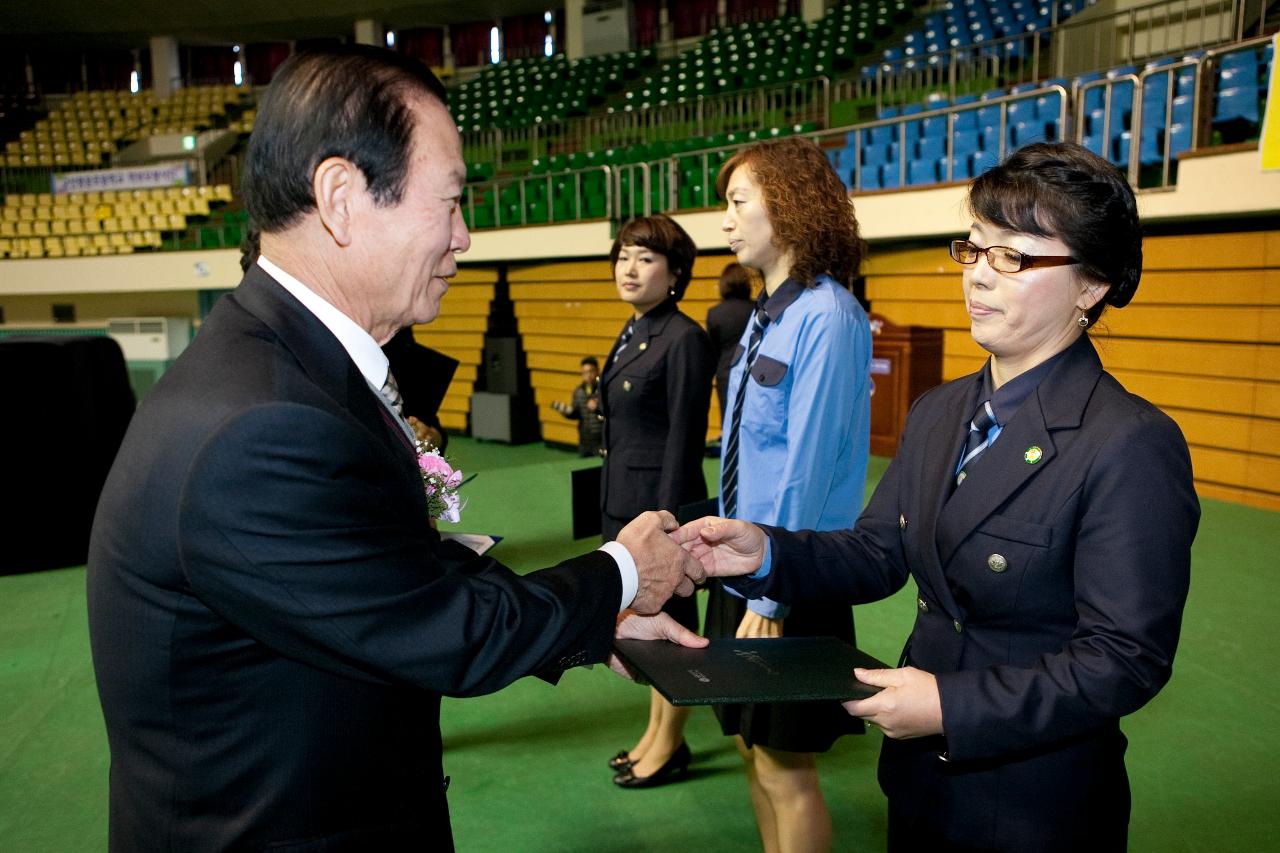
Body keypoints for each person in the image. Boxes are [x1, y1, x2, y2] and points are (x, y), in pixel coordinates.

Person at [85, 45, 708, 852]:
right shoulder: (263, 422)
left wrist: (598, 621)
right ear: (341, 198)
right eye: (449, 203)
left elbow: (378, 569)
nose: (466, 238)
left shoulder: (282, 364)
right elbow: (440, 625)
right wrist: (625, 571)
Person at [676, 142, 1199, 852]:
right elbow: (877, 551)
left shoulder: (1129, 441)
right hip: (922, 781)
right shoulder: (939, 410)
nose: (979, 276)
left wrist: (951, 704)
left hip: (1033, 804)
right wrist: (766, 550)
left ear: (1091, 285)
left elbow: (1123, 657)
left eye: (1013, 256)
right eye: (974, 249)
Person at [711, 136, 873, 853]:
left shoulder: (829, 316)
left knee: (786, 764)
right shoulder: (765, 313)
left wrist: (771, 593)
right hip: (744, 563)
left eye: (738, 202)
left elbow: (806, 467)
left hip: (790, 573)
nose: (726, 221)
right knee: (752, 748)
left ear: (791, 206)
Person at [600, 214, 715, 788]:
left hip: (658, 510)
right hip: (625, 503)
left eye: (645, 258)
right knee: (644, 624)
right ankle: (654, 735)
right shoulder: (636, 328)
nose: (629, 267)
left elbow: (683, 439)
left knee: (669, 631)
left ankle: (669, 747)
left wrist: (669, 528)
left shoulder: (684, 337)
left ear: (674, 274)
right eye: (624, 255)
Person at [705, 261, 754, 418]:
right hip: (754, 370)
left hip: (726, 372)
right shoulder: (758, 308)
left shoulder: (715, 313)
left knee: (728, 419)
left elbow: (712, 351)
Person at [552, 355, 604, 456]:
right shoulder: (579, 391)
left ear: (597, 371)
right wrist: (566, 411)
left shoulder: (604, 390)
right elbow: (576, 414)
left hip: (601, 441)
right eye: (584, 373)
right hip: (585, 441)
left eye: (591, 371)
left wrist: (598, 407)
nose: (588, 375)